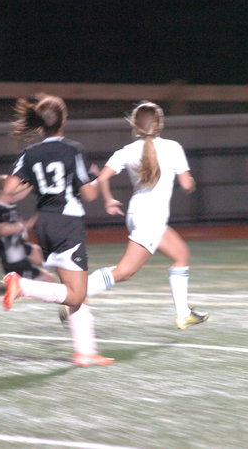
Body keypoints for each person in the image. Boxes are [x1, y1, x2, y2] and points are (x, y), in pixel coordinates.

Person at [1, 93, 114, 367]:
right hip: (67, 222)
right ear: (63, 120)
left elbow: (8, 189)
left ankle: (85, 352)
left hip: (44, 222)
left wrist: (34, 182)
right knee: (76, 293)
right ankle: (22, 285)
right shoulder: (73, 149)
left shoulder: (30, 153)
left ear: (40, 123)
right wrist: (95, 178)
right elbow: (89, 195)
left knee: (73, 290)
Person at [87, 101, 208, 330]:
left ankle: (183, 313)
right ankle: (75, 295)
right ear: (160, 124)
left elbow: (101, 178)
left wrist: (108, 200)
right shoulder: (173, 148)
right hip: (150, 219)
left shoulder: (127, 151)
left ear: (135, 125)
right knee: (123, 272)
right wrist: (191, 182)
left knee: (181, 254)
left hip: (139, 214)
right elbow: (186, 184)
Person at [0, 174, 69, 324]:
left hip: (21, 249)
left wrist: (36, 179)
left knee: (43, 254)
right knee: (49, 279)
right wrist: (26, 225)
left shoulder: (7, 203)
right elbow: (2, 230)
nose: (17, 189)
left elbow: (21, 192)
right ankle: (64, 307)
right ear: (3, 191)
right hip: (14, 259)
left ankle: (58, 281)